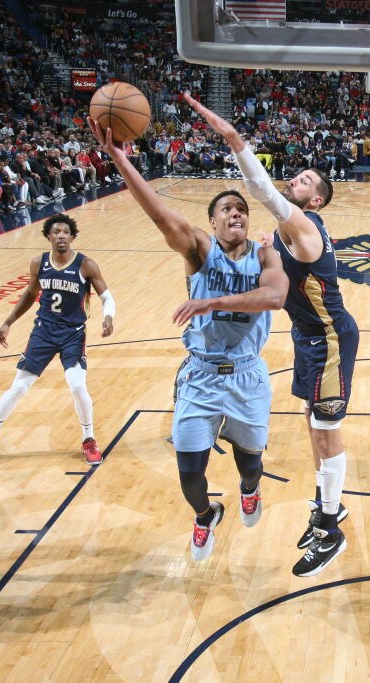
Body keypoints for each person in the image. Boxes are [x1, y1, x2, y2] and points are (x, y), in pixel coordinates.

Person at [88, 118, 288, 563]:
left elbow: (275, 298)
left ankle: (249, 490)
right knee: (190, 472)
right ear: (212, 222)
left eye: (242, 208)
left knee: (250, 462)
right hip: (200, 376)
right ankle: (205, 514)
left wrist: (211, 301)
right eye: (227, 209)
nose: (237, 213)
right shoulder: (199, 248)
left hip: (247, 375)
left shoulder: (265, 254)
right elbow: (159, 213)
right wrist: (119, 158)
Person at [184, 93, 358, 577]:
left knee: (327, 430)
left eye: (304, 181)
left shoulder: (305, 224)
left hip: (330, 339)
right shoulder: (288, 232)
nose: (295, 179)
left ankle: (331, 529)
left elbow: (260, 189)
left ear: (315, 200)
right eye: (296, 176)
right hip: (309, 338)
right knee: (312, 423)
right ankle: (328, 504)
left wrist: (232, 137)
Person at [0, 214, 116, 469]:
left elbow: (107, 297)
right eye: (56, 232)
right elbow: (30, 295)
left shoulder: (86, 265)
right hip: (43, 332)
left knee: (78, 387)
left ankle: (89, 439)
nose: (61, 236)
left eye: (65, 232)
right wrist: (8, 322)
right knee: (19, 388)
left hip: (73, 334)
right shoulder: (38, 263)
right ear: (48, 236)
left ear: (72, 237)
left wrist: (108, 317)